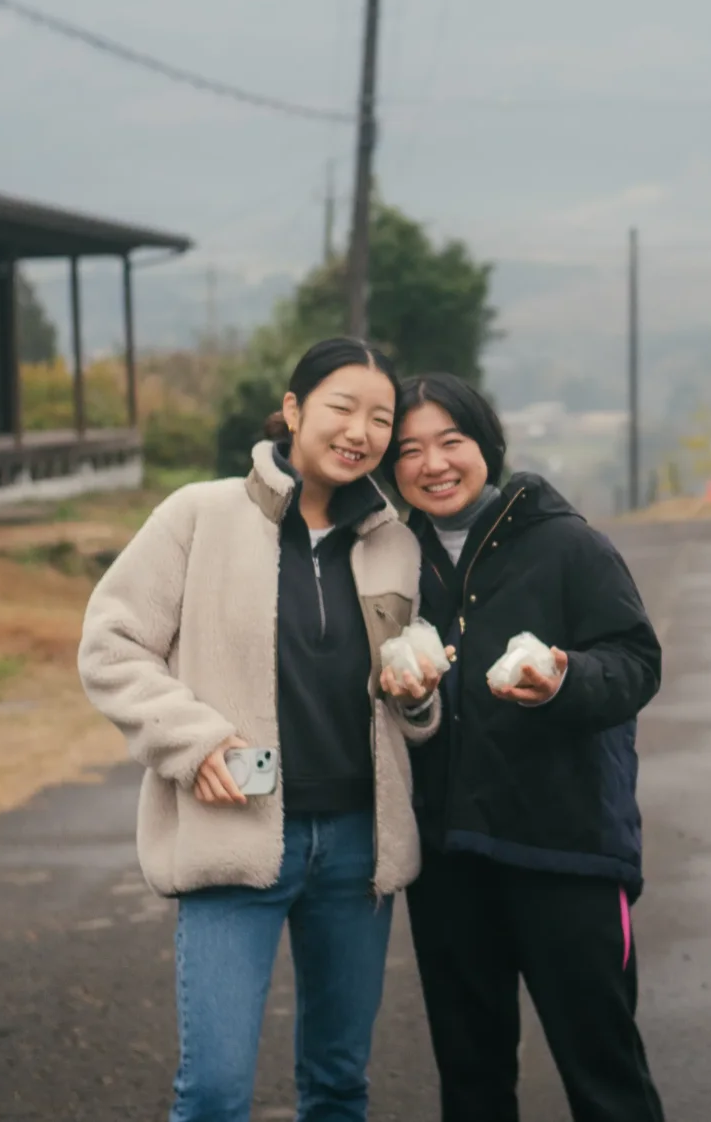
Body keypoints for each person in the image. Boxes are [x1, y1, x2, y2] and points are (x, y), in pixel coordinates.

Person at [78, 337, 444, 1122]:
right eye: (342, 407)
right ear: (293, 410)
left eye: (381, 419)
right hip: (233, 830)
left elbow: (409, 704)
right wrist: (194, 741)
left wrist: (417, 698)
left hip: (358, 847)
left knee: (338, 1085)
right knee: (213, 1093)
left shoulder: (396, 544)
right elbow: (111, 646)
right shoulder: (199, 515)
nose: (360, 431)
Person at [391, 371, 666, 1122]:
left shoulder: (568, 544)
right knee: (471, 1081)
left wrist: (563, 680)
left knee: (604, 1075)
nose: (433, 464)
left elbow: (637, 661)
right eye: (409, 449)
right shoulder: (394, 560)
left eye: (451, 441)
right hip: (449, 860)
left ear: (487, 443)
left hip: (567, 853)